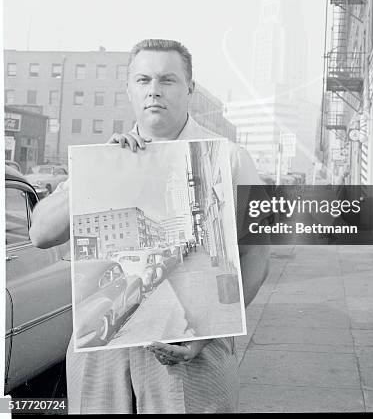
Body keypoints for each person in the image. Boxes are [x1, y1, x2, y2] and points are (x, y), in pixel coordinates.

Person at [30, 38, 270, 414]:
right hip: (102, 353)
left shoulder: (228, 159)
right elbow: (41, 233)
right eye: (143, 80)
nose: (154, 91)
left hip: (189, 350)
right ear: (129, 89)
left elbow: (256, 256)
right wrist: (99, 173)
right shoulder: (105, 160)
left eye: (167, 80)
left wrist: (209, 334)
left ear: (189, 89)